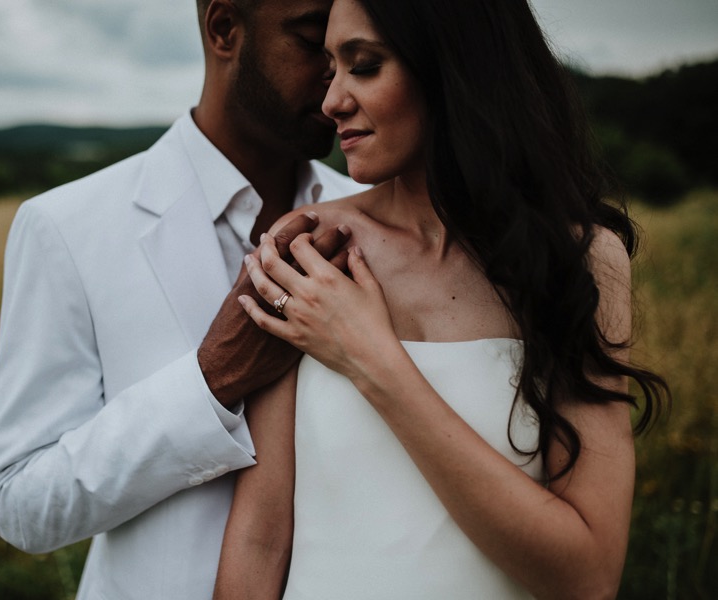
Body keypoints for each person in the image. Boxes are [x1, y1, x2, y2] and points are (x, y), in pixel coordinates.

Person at [213, 0, 670, 598]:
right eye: (331, 69)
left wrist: (370, 358)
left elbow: (588, 576)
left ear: (454, 67)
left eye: (364, 66)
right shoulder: (310, 247)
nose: (332, 102)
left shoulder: (579, 261)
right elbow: (260, 536)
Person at [0, 0, 367, 597]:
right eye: (314, 38)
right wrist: (210, 382)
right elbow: (19, 503)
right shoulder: (66, 227)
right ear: (224, 29)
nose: (336, 74)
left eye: (352, 48)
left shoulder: (375, 224)